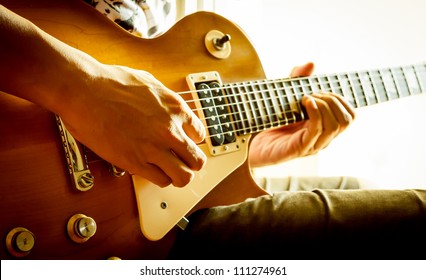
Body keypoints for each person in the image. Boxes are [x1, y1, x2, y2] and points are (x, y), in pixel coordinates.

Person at [0, 1, 425, 260]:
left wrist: (250, 150)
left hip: (132, 199)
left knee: (353, 183)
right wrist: (81, 86)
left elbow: (147, 114)